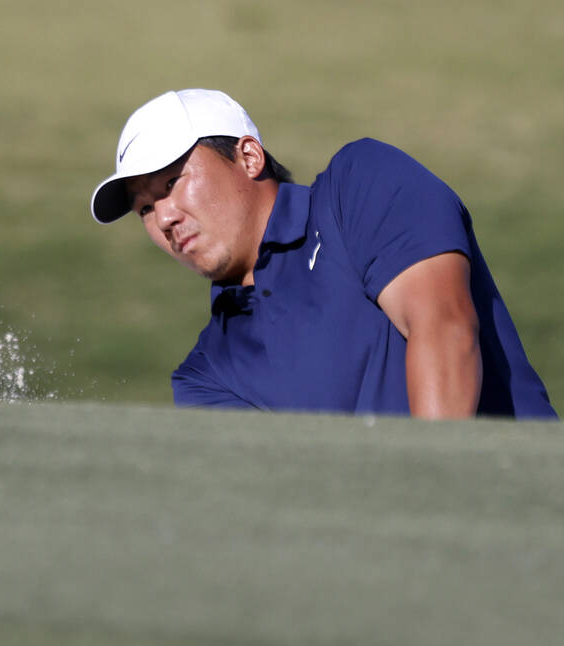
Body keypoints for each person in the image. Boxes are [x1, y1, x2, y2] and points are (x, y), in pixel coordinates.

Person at [90, 89, 557, 419]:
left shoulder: (360, 184)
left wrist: (428, 501)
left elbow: (445, 328)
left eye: (172, 184)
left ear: (249, 157)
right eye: (146, 208)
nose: (164, 218)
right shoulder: (208, 376)